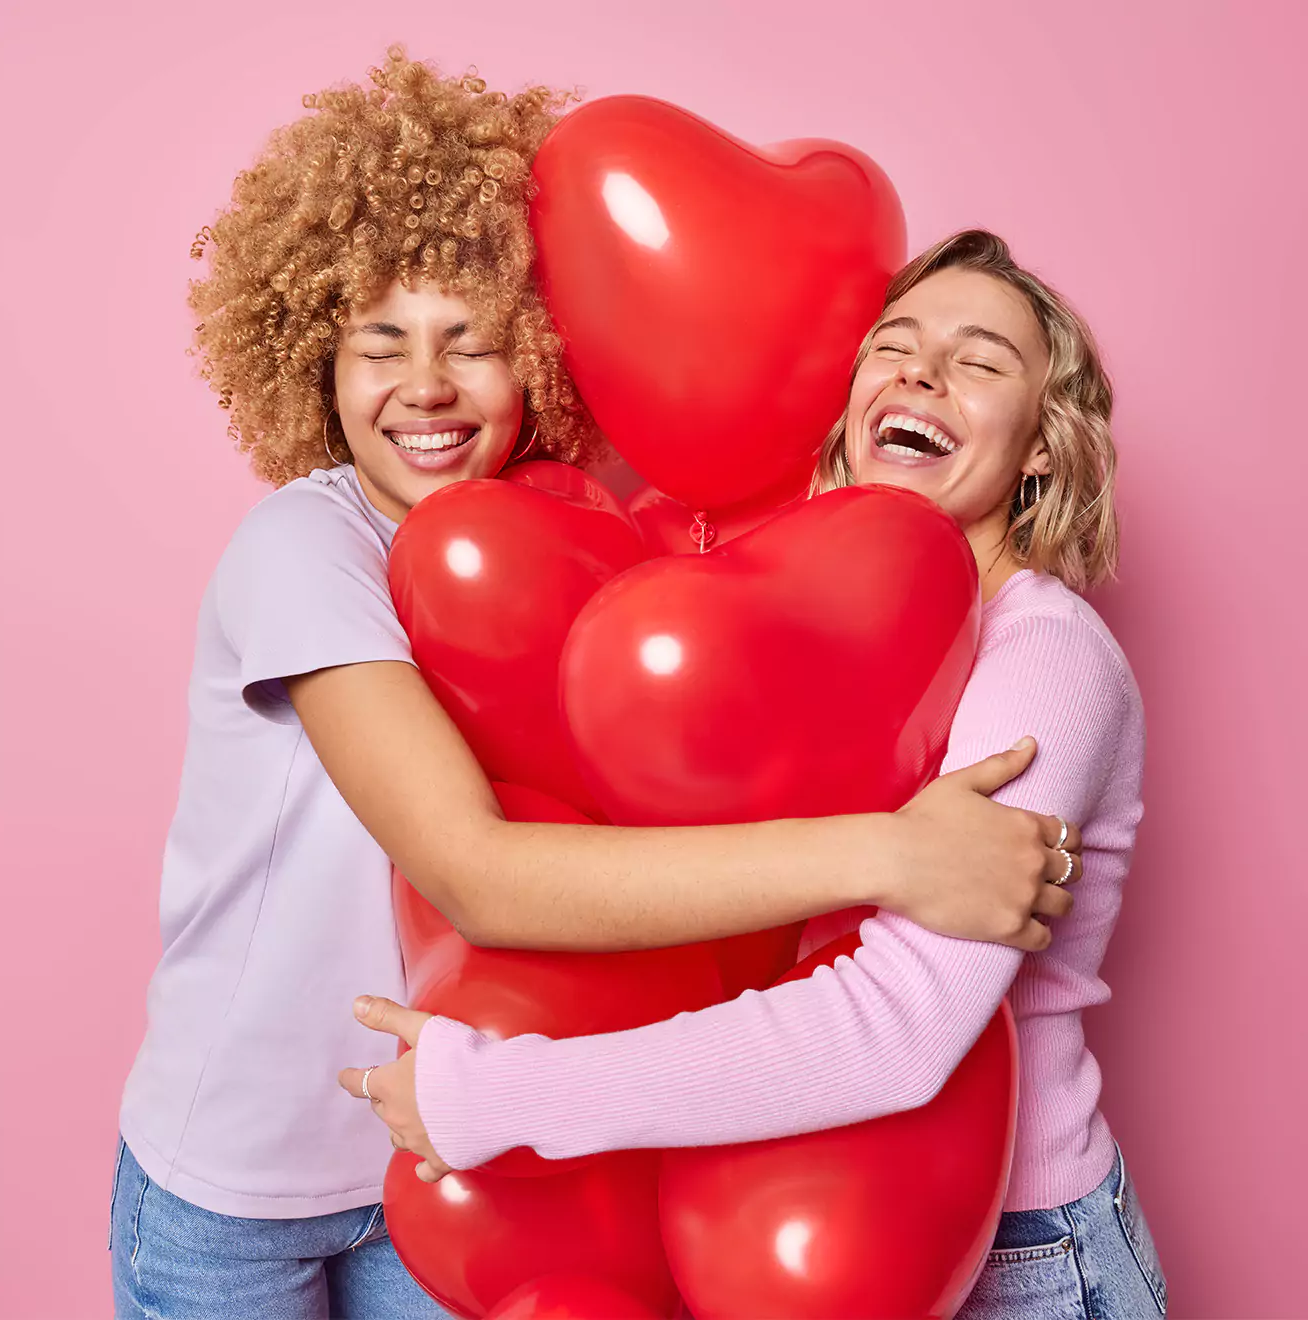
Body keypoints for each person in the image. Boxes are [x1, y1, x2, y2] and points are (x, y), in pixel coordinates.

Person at [111, 48, 1080, 1320]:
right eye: (378, 345)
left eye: (474, 341)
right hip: (240, 1190)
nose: (426, 387)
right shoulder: (305, 547)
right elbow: (478, 874)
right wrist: (892, 855)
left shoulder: (566, 541)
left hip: (454, 1160)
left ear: (543, 356)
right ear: (309, 361)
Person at [351, 230, 1167, 1318]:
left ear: (1040, 451)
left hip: (1022, 1263)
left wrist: (504, 1094)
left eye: (979, 362)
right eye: (894, 346)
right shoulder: (801, 626)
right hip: (781, 1225)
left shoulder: (1049, 659)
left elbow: (905, 1030)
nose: (921, 372)